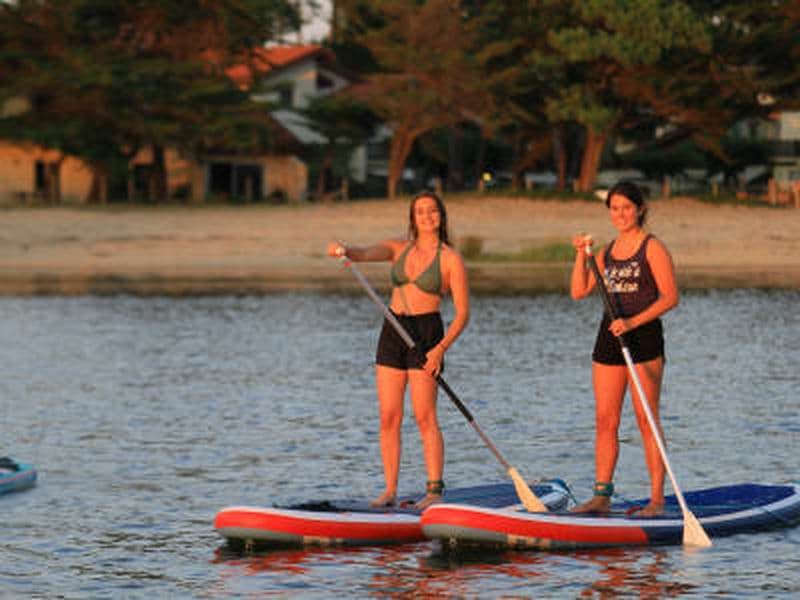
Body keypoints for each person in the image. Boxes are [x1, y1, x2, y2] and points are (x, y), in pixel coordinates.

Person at [327, 191, 470, 509]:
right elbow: (363, 253)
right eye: (420, 211)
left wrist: (440, 350)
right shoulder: (397, 248)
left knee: (424, 416)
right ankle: (390, 490)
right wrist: (344, 249)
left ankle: (434, 490)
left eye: (432, 211)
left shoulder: (450, 259)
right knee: (388, 416)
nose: (427, 216)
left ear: (441, 216)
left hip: (427, 334)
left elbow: (463, 314)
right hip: (393, 329)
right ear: (412, 218)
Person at [570, 180, 679, 516]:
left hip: (643, 336)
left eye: (627, 208)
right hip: (609, 338)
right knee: (606, 420)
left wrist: (632, 323)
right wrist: (580, 255)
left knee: (646, 419)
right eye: (615, 208)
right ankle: (601, 496)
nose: (620, 214)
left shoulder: (652, 247)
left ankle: (657, 500)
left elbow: (670, 298)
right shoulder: (606, 252)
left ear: (640, 209)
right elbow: (578, 291)